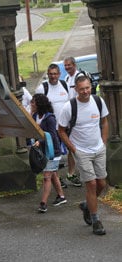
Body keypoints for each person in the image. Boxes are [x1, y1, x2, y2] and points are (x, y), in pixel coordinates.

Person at [58, 72, 109, 235]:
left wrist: (104, 142)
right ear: (76, 89)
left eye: (87, 88)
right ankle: (96, 221)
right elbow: (61, 130)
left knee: (102, 184)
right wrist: (74, 150)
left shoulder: (98, 101)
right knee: (92, 184)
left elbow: (105, 121)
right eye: (82, 89)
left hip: (99, 148)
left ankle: (87, 205)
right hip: (82, 151)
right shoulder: (69, 107)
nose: (85, 91)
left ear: (91, 87)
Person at [35, 63, 70, 188]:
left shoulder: (65, 85)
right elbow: (37, 107)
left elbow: (69, 104)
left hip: (65, 127)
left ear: (59, 74)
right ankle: (58, 180)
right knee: (53, 155)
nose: (53, 76)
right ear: (47, 74)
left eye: (55, 73)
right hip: (51, 129)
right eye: (50, 74)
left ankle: (70, 174)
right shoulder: (42, 88)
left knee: (67, 152)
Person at [31, 94, 67, 213]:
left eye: (33, 102)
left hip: (52, 151)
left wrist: (40, 142)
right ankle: (61, 196)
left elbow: (52, 135)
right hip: (44, 150)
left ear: (39, 104)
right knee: (53, 175)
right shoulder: (35, 116)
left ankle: (43, 203)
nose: (31, 104)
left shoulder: (50, 118)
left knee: (47, 176)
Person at [63, 57, 82, 187]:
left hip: (80, 116)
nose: (67, 67)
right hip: (71, 117)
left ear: (74, 65)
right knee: (70, 146)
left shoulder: (80, 76)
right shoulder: (66, 79)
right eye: (65, 65)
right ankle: (71, 173)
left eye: (69, 65)